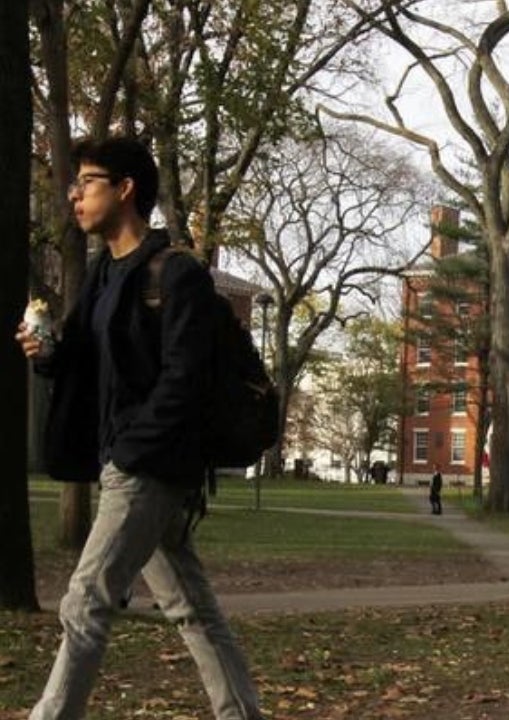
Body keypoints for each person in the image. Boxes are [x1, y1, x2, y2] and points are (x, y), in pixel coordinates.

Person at [15, 136, 264, 720]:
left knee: (85, 600)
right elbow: (80, 357)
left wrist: (131, 452)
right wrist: (44, 352)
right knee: (190, 608)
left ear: (125, 190)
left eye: (88, 182)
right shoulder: (104, 273)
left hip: (147, 466)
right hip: (125, 461)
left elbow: (186, 379)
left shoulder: (176, 274)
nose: (75, 194)